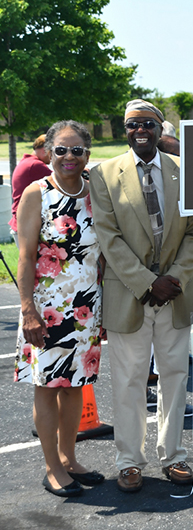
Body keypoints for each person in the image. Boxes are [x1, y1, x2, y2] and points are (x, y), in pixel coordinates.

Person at [89, 99, 193, 493]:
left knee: (175, 376)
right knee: (129, 380)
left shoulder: (184, 171)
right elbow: (109, 236)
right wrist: (146, 282)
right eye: (132, 124)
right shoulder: (103, 174)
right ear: (126, 129)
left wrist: (172, 278)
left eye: (148, 124)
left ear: (160, 129)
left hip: (175, 292)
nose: (140, 130)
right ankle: (129, 461)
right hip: (130, 294)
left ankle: (173, 456)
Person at [14, 121, 105, 497]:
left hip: (86, 308)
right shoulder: (38, 193)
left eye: (78, 150)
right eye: (62, 150)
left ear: (87, 154)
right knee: (48, 387)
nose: (69, 157)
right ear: (49, 151)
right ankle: (52, 468)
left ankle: (69, 459)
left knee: (75, 388)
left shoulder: (94, 192)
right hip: (47, 309)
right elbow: (25, 254)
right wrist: (27, 309)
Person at [10, 134, 51, 245]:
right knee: (32, 262)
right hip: (26, 225)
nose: (54, 157)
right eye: (53, 152)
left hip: (21, 223)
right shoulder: (36, 165)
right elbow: (62, 184)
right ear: (44, 150)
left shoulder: (27, 162)